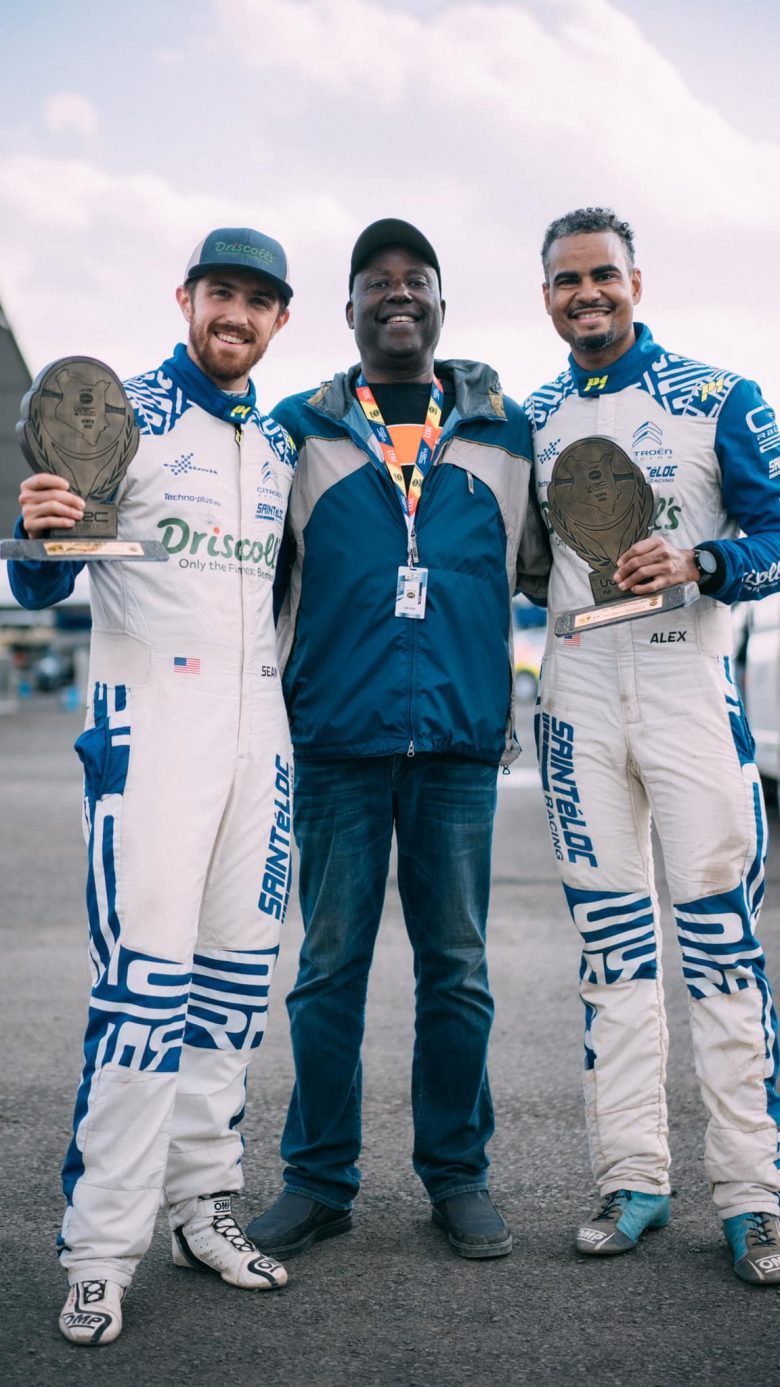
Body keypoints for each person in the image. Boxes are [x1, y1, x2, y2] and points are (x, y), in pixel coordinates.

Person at [8, 227, 298, 1343]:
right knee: (142, 999)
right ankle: (98, 1250)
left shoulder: (279, 442)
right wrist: (33, 532)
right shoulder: (115, 413)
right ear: (186, 298)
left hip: (259, 740)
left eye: (257, 301)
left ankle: (200, 1206)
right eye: (221, 292)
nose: (236, 315)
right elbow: (41, 581)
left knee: (231, 990)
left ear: (280, 320)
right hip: (151, 737)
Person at [246, 218, 550, 1261]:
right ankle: (318, 1179)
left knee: (456, 970)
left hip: (459, 743)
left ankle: (457, 1177)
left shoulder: (509, 435)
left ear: (442, 306)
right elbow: (249, 579)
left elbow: (551, 567)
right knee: (327, 969)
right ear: (348, 311)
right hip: (335, 739)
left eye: (416, 278)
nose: (398, 293)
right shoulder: (296, 430)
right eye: (376, 282)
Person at [526, 206, 780, 1284]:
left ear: (637, 282)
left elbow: (778, 532)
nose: (586, 293)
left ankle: (755, 1196)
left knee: (722, 946)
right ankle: (632, 1179)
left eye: (603, 275)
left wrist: (703, 561)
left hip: (688, 684)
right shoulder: (531, 418)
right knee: (612, 950)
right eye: (566, 280)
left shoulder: (722, 395)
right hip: (577, 692)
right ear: (546, 296)